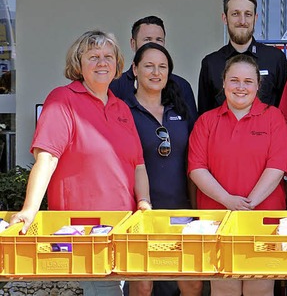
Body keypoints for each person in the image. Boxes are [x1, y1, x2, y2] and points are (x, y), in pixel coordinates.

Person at [9, 30, 151, 296]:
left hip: (121, 229)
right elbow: (47, 157)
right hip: (83, 231)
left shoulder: (121, 108)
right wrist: (30, 209)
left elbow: (138, 164)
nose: (102, 63)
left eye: (109, 57)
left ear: (117, 65)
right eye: (93, 56)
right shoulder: (63, 100)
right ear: (78, 63)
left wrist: (144, 202)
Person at [189, 54, 287, 296]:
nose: (241, 87)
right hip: (219, 220)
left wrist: (247, 206)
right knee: (224, 286)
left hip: (264, 220)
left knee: (260, 286)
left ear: (258, 85)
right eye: (234, 80)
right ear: (223, 82)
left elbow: (276, 166)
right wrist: (228, 201)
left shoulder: (273, 118)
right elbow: (197, 168)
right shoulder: (206, 122)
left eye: (248, 81)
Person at [124, 42, 201, 296]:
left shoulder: (180, 110)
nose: (156, 72)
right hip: (141, 213)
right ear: (135, 69)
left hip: (181, 209)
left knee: (190, 282)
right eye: (148, 66)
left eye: (162, 67)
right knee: (144, 284)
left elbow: (193, 162)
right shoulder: (124, 112)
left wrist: (195, 206)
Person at [198, 0, 287, 114]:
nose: (242, 21)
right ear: (225, 18)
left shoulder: (275, 59)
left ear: (255, 18)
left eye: (248, 14)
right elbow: (204, 113)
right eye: (235, 14)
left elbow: (285, 110)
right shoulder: (211, 63)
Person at [110, 16, 197, 120]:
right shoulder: (116, 85)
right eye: (147, 39)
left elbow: (193, 129)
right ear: (133, 44)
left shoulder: (182, 86)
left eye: (159, 40)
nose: (153, 44)